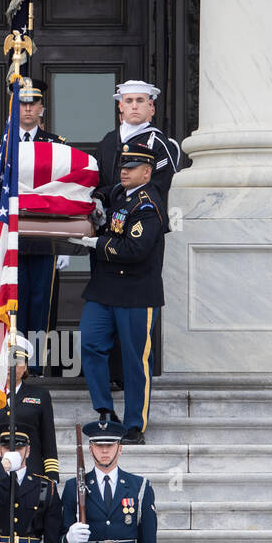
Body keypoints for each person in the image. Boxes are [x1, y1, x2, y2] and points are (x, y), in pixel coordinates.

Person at [70, 142, 168, 444]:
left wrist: (96, 244)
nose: (124, 171)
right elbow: (105, 192)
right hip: (103, 290)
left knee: (135, 359)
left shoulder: (148, 205)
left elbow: (135, 249)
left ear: (147, 172)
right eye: (123, 166)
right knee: (91, 346)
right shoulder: (120, 194)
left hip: (135, 293)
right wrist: (98, 200)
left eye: (131, 167)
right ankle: (104, 411)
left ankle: (135, 425)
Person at [0, 80, 67, 374]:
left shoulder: (56, 144)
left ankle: (37, 369)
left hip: (45, 239)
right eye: (23, 103)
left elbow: (64, 191)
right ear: (13, 107)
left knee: (41, 305)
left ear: (42, 109)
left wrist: (64, 238)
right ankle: (11, 367)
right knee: (13, 304)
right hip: (11, 239)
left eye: (33, 103)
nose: (28, 108)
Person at [0, 335, 59, 483]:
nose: (11, 367)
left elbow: (48, 438)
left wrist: (52, 475)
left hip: (31, 471)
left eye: (16, 362)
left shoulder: (40, 395)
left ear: (25, 367)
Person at [95, 79, 183, 209]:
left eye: (140, 100)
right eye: (129, 101)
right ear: (121, 106)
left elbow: (159, 187)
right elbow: (97, 179)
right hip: (106, 221)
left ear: (151, 107)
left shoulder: (159, 143)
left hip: (142, 215)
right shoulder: (108, 140)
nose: (134, 106)